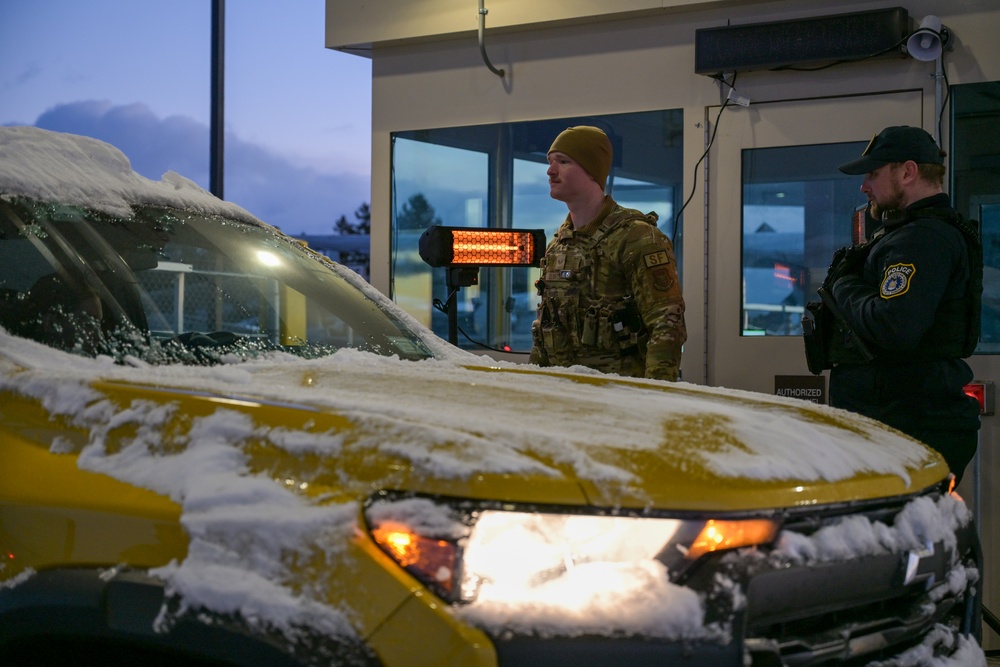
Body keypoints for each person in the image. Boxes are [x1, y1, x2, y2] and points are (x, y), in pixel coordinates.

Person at [812, 125, 982, 484]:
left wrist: (843, 286)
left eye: (873, 173)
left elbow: (894, 325)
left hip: (907, 426)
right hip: (897, 422)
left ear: (907, 172)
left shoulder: (922, 239)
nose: (864, 186)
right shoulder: (912, 233)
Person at [530, 126, 686, 381]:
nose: (550, 171)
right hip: (562, 394)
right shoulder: (560, 243)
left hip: (621, 395)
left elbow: (667, 324)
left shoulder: (636, 237)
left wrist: (657, 397)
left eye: (563, 161)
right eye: (550, 162)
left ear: (591, 170)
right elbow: (544, 328)